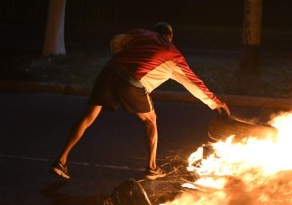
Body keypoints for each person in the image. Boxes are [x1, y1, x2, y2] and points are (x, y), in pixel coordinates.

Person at [51, 22, 231, 181]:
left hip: (110, 71)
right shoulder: (173, 54)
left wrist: (118, 56)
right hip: (132, 81)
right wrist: (215, 102)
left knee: (88, 116)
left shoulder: (141, 34)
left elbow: (116, 39)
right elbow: (194, 83)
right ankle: (152, 168)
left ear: (154, 32)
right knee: (150, 120)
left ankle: (61, 159)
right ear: (170, 36)